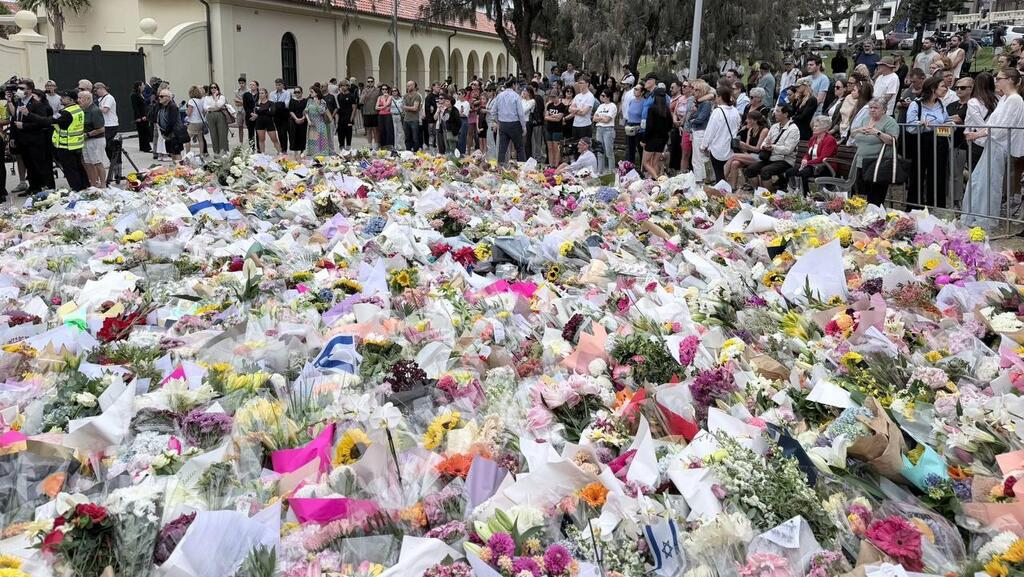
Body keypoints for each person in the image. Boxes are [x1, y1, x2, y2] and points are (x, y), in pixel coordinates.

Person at [963, 68, 1024, 229]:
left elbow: (1002, 126)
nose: (996, 82)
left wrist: (978, 135)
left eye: (999, 78)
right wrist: (980, 134)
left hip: (999, 145)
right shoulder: (1005, 98)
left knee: (990, 182)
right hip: (993, 143)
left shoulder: (1014, 100)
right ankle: (976, 214)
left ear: (1010, 80)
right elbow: (993, 124)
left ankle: (986, 217)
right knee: (979, 181)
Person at [905, 76, 952, 208]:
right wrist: (920, 124)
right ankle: (914, 207)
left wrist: (950, 125)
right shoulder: (916, 104)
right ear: (933, 88)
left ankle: (937, 207)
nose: (945, 88)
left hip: (940, 141)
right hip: (921, 142)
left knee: (938, 175)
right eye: (942, 85)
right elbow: (909, 126)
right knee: (917, 174)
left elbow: (946, 121)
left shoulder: (941, 104)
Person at [850, 98, 900, 205]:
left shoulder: (890, 122)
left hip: (878, 164)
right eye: (871, 107)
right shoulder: (865, 119)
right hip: (861, 162)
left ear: (884, 110)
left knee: (874, 199)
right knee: (860, 196)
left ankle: (875, 218)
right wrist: (859, 130)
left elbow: (892, 141)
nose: (872, 110)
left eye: (876, 108)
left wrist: (877, 133)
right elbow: (853, 134)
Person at [39, 89, 89, 191]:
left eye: (63, 97)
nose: (61, 98)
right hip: (76, 144)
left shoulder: (66, 113)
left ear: (71, 100)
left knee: (70, 170)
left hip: (66, 145)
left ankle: (77, 189)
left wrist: (30, 115)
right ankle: (85, 186)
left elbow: (49, 121)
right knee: (78, 167)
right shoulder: (78, 109)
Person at [743, 104, 801, 191]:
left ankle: (769, 197)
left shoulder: (793, 129)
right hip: (770, 158)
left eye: (778, 111)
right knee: (750, 169)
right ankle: (759, 192)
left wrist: (772, 147)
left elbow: (788, 150)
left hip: (785, 160)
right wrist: (765, 146)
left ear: (785, 114)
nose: (774, 113)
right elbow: (765, 142)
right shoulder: (774, 126)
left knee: (765, 171)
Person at [12, 81, 55, 193]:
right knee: (28, 165)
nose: (19, 90)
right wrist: (13, 137)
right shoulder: (19, 103)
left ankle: (41, 187)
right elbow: (15, 119)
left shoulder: (37, 104)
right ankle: (33, 186)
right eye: (18, 88)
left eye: (22, 88)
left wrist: (25, 126)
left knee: (37, 165)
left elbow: (42, 123)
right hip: (22, 140)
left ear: (30, 90)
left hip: (34, 140)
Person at [786, 116, 838, 193]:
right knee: (789, 172)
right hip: (812, 166)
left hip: (825, 167)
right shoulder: (813, 138)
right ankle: (794, 192)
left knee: (802, 174)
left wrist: (808, 163)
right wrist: (805, 159)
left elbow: (823, 158)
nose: (814, 127)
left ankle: (806, 196)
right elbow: (808, 153)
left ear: (824, 128)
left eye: (816, 126)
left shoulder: (830, 140)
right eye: (814, 125)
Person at [702, 85, 742, 183]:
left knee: (719, 174)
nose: (715, 99)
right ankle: (724, 191)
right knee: (725, 175)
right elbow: (737, 126)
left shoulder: (717, 112)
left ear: (720, 97)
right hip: (730, 147)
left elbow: (710, 131)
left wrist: (704, 145)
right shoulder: (735, 111)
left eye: (716, 96)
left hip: (717, 147)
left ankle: (721, 193)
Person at [726, 108, 769, 189]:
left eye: (748, 119)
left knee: (733, 155)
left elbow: (757, 149)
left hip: (761, 157)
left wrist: (745, 145)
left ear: (755, 121)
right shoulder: (750, 130)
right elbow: (747, 148)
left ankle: (721, 179)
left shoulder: (764, 130)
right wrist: (742, 147)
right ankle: (733, 188)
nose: (746, 121)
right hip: (751, 155)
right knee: (734, 163)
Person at [640, 86, 672, 178]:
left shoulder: (652, 109)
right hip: (662, 139)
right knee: (655, 163)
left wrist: (644, 140)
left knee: (646, 162)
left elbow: (649, 126)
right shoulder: (667, 110)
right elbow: (670, 126)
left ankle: (657, 179)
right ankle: (655, 181)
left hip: (651, 139)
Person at [493, 80, 527, 164]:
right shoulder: (516, 96)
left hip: (503, 123)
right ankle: (522, 167)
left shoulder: (499, 95)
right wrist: (523, 126)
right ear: (513, 85)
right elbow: (520, 113)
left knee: (502, 148)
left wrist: (498, 121)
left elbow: (493, 111)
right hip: (514, 124)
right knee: (519, 148)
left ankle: (500, 168)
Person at [79, 90, 107, 187]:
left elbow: (101, 129)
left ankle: (103, 184)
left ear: (87, 99)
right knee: (88, 163)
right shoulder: (84, 110)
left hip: (96, 140)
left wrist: (87, 134)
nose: (78, 100)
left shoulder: (95, 110)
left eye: (80, 98)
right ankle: (94, 183)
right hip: (86, 141)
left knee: (97, 162)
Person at [688, 80, 714, 183]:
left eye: (696, 89)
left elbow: (700, 118)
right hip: (697, 131)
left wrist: (694, 120)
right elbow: (692, 116)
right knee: (697, 157)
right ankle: (700, 178)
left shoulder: (706, 103)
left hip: (701, 131)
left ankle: (701, 179)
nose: (694, 91)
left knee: (699, 157)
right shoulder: (700, 104)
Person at [155, 88, 184, 162]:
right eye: (159, 96)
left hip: (174, 134)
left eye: (161, 96)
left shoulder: (172, 107)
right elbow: (153, 116)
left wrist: (166, 132)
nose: (159, 98)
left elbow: (172, 122)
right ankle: (177, 169)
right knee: (172, 153)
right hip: (168, 135)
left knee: (176, 153)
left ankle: (180, 170)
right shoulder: (162, 106)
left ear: (167, 98)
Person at [93, 82, 119, 164]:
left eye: (96, 90)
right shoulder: (101, 99)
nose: (96, 93)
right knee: (106, 145)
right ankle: (112, 161)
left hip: (111, 124)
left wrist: (94, 107)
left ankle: (115, 162)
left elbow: (105, 110)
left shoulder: (109, 98)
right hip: (104, 124)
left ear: (101, 88)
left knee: (109, 145)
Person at [304, 85, 333, 156]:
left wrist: (317, 104)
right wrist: (308, 121)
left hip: (320, 123)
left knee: (321, 139)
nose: (310, 93)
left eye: (312, 92)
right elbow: (306, 111)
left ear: (316, 93)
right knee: (312, 139)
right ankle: (312, 153)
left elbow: (322, 111)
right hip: (311, 123)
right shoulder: (309, 101)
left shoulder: (322, 101)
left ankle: (322, 154)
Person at [593, 89, 617, 173]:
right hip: (599, 129)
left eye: (603, 95)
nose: (601, 97)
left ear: (608, 97)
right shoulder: (600, 106)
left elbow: (607, 120)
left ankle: (611, 172)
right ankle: (600, 172)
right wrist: (601, 118)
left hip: (608, 130)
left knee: (609, 153)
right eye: (601, 95)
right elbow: (594, 118)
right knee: (600, 152)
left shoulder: (612, 106)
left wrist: (599, 118)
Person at [252, 87, 282, 154]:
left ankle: (280, 153)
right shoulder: (257, 103)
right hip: (259, 123)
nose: (260, 95)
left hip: (269, 123)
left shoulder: (271, 103)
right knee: (261, 139)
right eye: (259, 93)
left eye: (262, 93)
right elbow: (256, 111)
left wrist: (261, 110)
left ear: (266, 94)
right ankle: (263, 154)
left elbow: (272, 113)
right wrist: (266, 110)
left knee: (274, 139)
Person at [203, 82, 230, 156]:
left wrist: (215, 97)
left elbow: (219, 105)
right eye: (211, 87)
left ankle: (224, 152)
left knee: (222, 134)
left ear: (217, 88)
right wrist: (212, 108)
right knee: (213, 134)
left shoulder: (221, 97)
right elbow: (205, 107)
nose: (213, 89)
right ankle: (216, 152)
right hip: (210, 116)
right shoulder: (207, 97)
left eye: (215, 87)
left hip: (220, 115)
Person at [545, 90, 567, 167]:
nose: (553, 98)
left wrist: (550, 117)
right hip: (549, 129)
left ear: (558, 96)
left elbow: (559, 119)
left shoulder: (562, 106)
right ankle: (551, 164)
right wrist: (554, 116)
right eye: (551, 97)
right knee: (550, 148)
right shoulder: (549, 105)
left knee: (556, 148)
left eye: (554, 97)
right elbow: (546, 117)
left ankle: (556, 165)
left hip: (557, 130)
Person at [184, 86, 208, 156]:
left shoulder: (191, 101)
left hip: (193, 122)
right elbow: (204, 111)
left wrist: (186, 111)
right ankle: (201, 154)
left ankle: (187, 154)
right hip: (201, 121)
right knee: (200, 138)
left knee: (187, 139)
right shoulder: (202, 100)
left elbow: (189, 113)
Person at [623, 85, 644, 165]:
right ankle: (630, 167)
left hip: (638, 127)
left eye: (637, 89)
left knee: (640, 149)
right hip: (629, 126)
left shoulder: (644, 102)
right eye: (634, 89)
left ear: (642, 92)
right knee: (630, 149)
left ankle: (642, 168)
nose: (634, 90)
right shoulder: (631, 101)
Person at [334, 82, 358, 149]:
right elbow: (338, 108)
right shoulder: (339, 96)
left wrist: (351, 118)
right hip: (341, 118)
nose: (343, 87)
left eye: (345, 86)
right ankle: (342, 149)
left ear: (348, 86)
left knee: (348, 134)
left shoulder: (351, 96)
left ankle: (348, 149)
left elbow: (354, 108)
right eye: (342, 86)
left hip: (348, 118)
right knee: (340, 135)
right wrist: (337, 119)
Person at [131, 81, 153, 153]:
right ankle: (145, 147)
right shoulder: (134, 95)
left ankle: (144, 146)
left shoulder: (141, 94)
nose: (144, 86)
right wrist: (139, 117)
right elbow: (135, 107)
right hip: (140, 116)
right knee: (143, 132)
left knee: (144, 131)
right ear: (139, 86)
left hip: (144, 115)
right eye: (143, 85)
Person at [270, 78, 291, 152]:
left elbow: (286, 104)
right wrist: (279, 104)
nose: (278, 86)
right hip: (276, 115)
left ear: (283, 85)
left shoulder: (287, 93)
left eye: (279, 85)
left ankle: (284, 149)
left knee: (284, 132)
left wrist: (278, 104)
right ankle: (281, 148)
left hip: (284, 114)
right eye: (276, 85)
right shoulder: (272, 93)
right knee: (279, 132)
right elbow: (271, 104)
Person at [287, 86, 308, 159]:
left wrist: (303, 118)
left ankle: (302, 152)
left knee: (302, 136)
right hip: (294, 120)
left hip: (303, 120)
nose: (296, 93)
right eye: (295, 92)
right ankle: (295, 152)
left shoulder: (305, 101)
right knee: (294, 136)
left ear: (302, 92)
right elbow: (291, 111)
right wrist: (296, 119)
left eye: (298, 92)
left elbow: (306, 110)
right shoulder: (292, 100)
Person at [360, 76, 381, 148]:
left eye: (371, 81)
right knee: (368, 130)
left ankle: (376, 145)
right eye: (368, 81)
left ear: (374, 82)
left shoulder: (378, 90)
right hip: (366, 112)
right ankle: (370, 146)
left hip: (375, 112)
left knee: (375, 130)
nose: (370, 83)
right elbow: (360, 101)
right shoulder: (364, 90)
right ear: (367, 82)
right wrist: (364, 94)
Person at [402, 80, 423, 152]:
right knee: (407, 137)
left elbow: (415, 108)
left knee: (415, 137)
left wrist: (406, 107)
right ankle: (408, 151)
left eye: (410, 85)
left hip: (414, 119)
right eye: (407, 86)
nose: (408, 87)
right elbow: (402, 106)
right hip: (406, 119)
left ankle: (415, 151)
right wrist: (408, 107)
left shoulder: (417, 96)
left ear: (414, 86)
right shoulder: (405, 95)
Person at [520, 86, 538, 160]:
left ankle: (527, 158)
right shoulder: (522, 100)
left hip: (527, 122)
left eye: (525, 91)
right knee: (521, 142)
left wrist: (522, 99)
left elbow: (523, 110)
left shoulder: (532, 101)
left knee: (527, 142)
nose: (524, 92)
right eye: (523, 91)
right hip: (520, 122)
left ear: (529, 93)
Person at [375, 84, 394, 150]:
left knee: (388, 130)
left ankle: (389, 145)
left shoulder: (390, 97)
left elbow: (387, 104)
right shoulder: (379, 97)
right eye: (383, 89)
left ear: (388, 90)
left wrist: (383, 104)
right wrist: (383, 107)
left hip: (388, 115)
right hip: (381, 115)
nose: (384, 90)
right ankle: (382, 145)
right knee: (381, 130)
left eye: (386, 89)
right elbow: (376, 107)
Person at [243, 80, 259, 150]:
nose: (251, 86)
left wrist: (256, 114)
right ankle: (252, 148)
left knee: (258, 133)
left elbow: (262, 105)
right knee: (251, 133)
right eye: (250, 85)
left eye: (253, 85)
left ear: (257, 86)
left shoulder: (260, 94)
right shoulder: (246, 94)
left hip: (258, 116)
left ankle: (259, 148)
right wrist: (251, 114)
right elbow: (245, 106)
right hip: (249, 116)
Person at [424, 83, 439, 150]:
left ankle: (437, 146)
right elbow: (427, 110)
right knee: (431, 133)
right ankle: (431, 146)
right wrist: (430, 121)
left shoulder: (440, 96)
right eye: (437, 87)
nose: (439, 88)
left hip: (440, 118)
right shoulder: (429, 97)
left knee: (437, 134)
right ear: (433, 87)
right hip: (432, 119)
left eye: (439, 87)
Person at [234, 76, 247, 145]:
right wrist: (242, 102)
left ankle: (249, 141)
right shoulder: (236, 91)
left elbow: (248, 103)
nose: (241, 84)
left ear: (245, 83)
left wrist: (240, 101)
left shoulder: (248, 91)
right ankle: (241, 142)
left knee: (247, 126)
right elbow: (236, 103)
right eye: (240, 83)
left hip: (246, 111)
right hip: (239, 111)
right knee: (240, 126)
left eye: (243, 83)